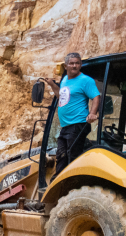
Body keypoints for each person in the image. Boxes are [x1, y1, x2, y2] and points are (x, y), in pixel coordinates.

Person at [43, 52, 101, 180]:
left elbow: (96, 96)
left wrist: (92, 113)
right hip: (66, 126)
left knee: (72, 158)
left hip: (78, 123)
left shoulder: (85, 80)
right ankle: (60, 182)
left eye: (77, 63)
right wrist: (53, 85)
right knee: (61, 157)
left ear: (80, 65)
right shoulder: (64, 80)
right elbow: (61, 96)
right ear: (66, 65)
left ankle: (73, 184)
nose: (75, 66)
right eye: (72, 63)